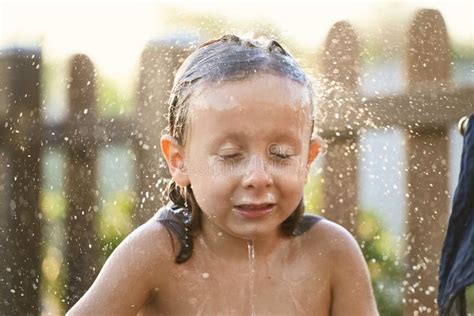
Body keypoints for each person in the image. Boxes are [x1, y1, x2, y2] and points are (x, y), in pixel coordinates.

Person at [67, 34, 378, 315]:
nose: (258, 177)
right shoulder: (156, 254)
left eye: (281, 155)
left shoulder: (331, 254)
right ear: (179, 160)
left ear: (308, 159)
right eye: (230, 156)